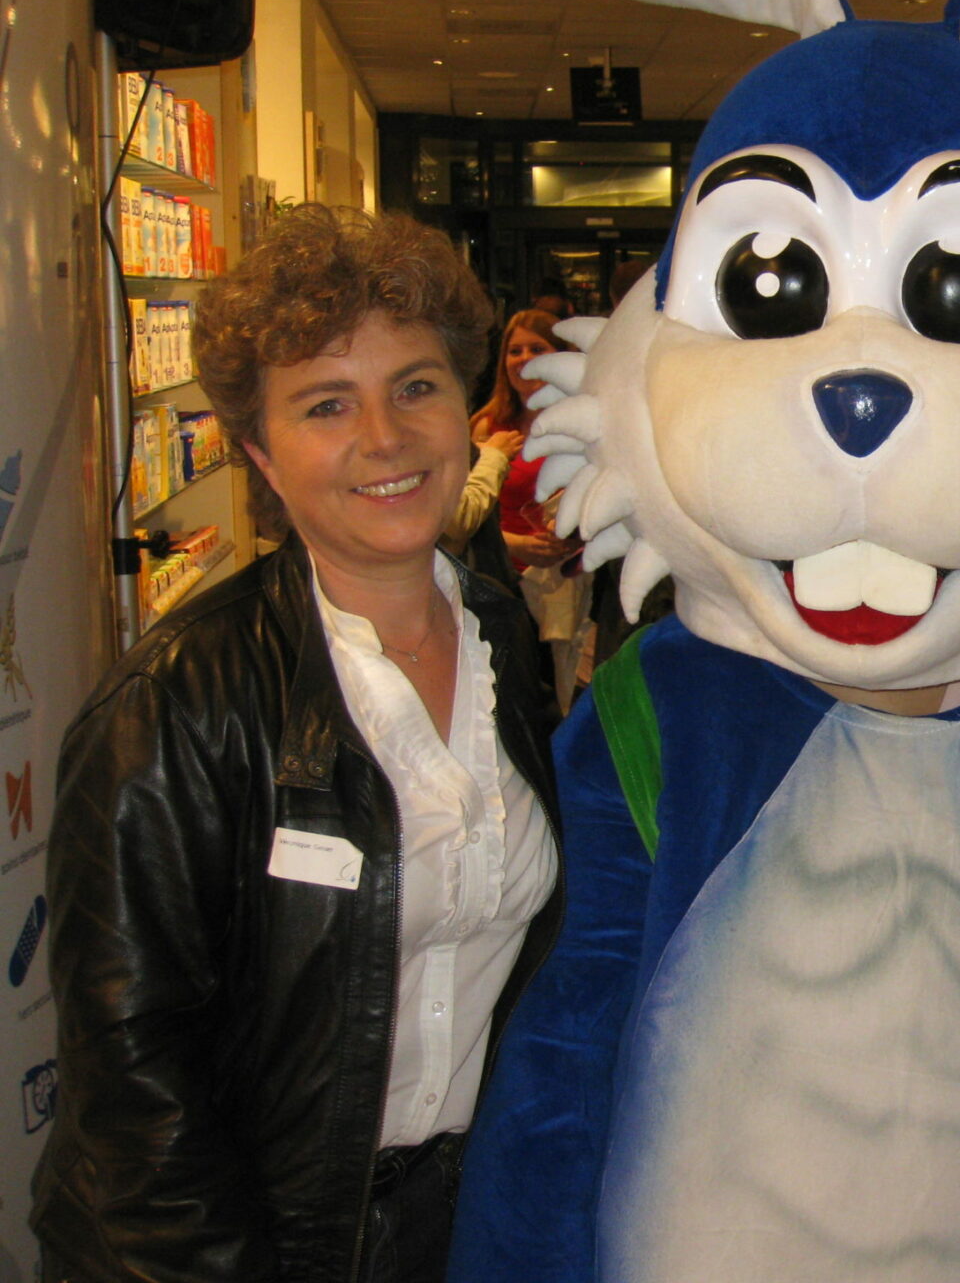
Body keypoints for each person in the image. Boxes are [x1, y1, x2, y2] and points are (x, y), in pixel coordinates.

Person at [30, 205, 563, 1283]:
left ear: (465, 409)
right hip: (248, 1243)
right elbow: (135, 1094)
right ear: (263, 458)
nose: (384, 436)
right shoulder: (174, 707)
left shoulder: (500, 639)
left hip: (464, 1220)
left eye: (415, 385)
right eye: (327, 404)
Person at [471, 310, 590, 702]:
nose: (524, 359)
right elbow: (461, 512)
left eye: (537, 349)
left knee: (565, 685)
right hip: (504, 579)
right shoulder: (487, 427)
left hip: (569, 579)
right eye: (515, 350)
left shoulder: (581, 418)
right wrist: (513, 544)